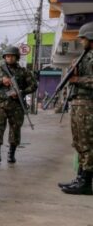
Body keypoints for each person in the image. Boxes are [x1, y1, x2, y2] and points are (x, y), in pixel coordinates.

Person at [58, 21, 93, 195]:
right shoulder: (85, 55)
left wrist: (77, 80)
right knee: (79, 142)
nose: (81, 41)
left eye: (83, 38)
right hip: (80, 104)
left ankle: (86, 181)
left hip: (89, 105)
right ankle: (81, 177)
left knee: (87, 143)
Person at [0, 46, 37, 164]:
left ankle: (11, 154)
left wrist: (21, 92)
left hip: (16, 105)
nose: (9, 58)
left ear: (17, 57)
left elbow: (33, 86)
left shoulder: (24, 71)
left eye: (12, 56)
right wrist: (1, 80)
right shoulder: (0, 71)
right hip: (1, 104)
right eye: (7, 56)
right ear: (4, 57)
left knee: (15, 130)